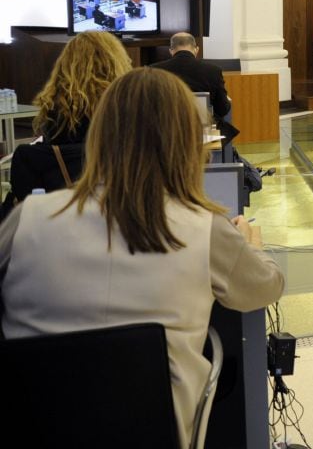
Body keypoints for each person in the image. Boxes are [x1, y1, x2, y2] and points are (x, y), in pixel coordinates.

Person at [0, 68, 284, 448]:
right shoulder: (204, 229)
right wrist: (249, 245)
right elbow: (267, 287)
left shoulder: (25, 221)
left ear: (100, 135)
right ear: (187, 142)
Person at [1, 32, 131, 216]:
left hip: (60, 201)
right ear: (116, 61)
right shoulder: (127, 104)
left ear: (66, 65)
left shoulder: (54, 107)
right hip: (119, 199)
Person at [153, 32, 231, 121]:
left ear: (171, 50)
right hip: (202, 128)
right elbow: (222, 109)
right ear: (196, 49)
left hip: (166, 127)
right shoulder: (213, 70)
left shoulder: (154, 70)